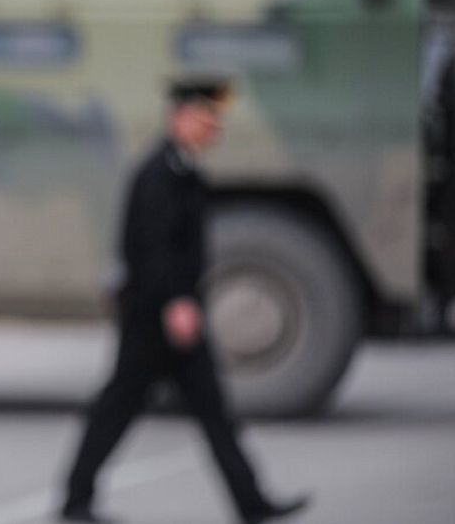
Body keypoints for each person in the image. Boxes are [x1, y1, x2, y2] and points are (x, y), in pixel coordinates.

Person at [61, 77, 308, 524]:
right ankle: (76, 499)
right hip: (155, 317)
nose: (215, 129)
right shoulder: (159, 173)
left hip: (176, 314)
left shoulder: (184, 170)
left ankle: (251, 503)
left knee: (212, 412)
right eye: (208, 119)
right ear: (181, 117)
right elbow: (151, 247)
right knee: (120, 405)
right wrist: (176, 302)